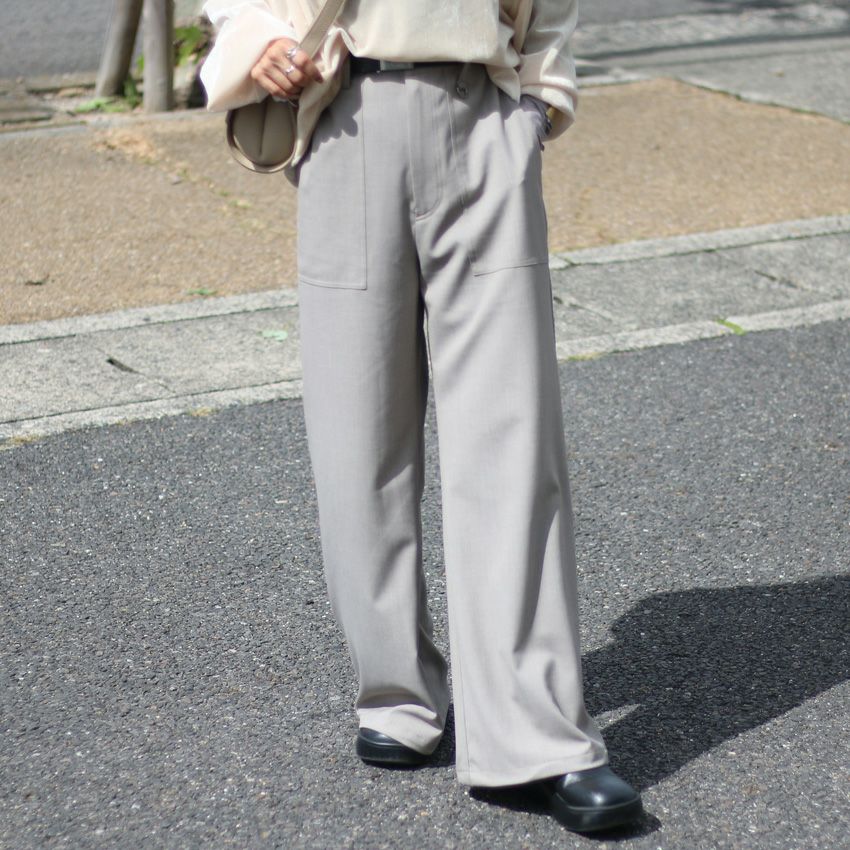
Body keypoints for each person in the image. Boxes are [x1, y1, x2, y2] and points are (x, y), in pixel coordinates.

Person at [201, 0, 643, 833]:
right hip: (343, 115)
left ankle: (534, 734)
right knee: (355, 435)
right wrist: (256, 41)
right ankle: (396, 690)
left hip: (483, 111)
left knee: (512, 437)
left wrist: (538, 104)